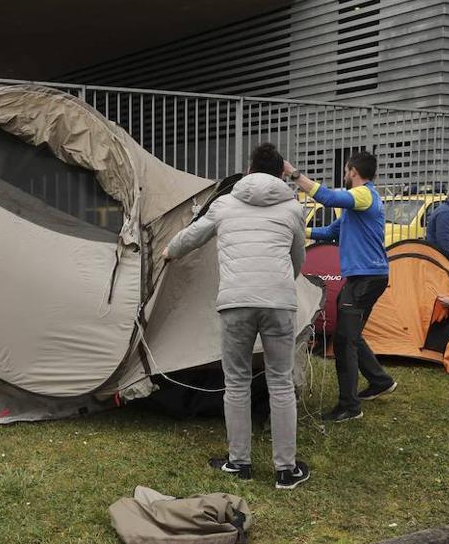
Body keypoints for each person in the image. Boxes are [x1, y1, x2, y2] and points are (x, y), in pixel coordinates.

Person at [163, 142, 310, 490]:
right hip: (278, 303)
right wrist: (278, 286)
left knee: (237, 382)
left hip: (235, 302)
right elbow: (298, 258)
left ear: (248, 171)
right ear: (279, 173)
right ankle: (285, 471)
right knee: (280, 382)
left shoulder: (225, 203)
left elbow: (193, 236)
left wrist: (167, 252)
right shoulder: (292, 208)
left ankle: (239, 462)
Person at [286, 152, 395, 422]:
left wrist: (294, 174)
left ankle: (349, 406)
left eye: (346, 171)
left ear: (353, 171)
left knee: (345, 341)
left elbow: (328, 197)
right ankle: (380, 381)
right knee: (351, 334)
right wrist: (297, 229)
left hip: (366, 278)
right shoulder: (356, 206)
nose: (344, 175)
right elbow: (331, 233)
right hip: (366, 277)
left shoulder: (364, 195)